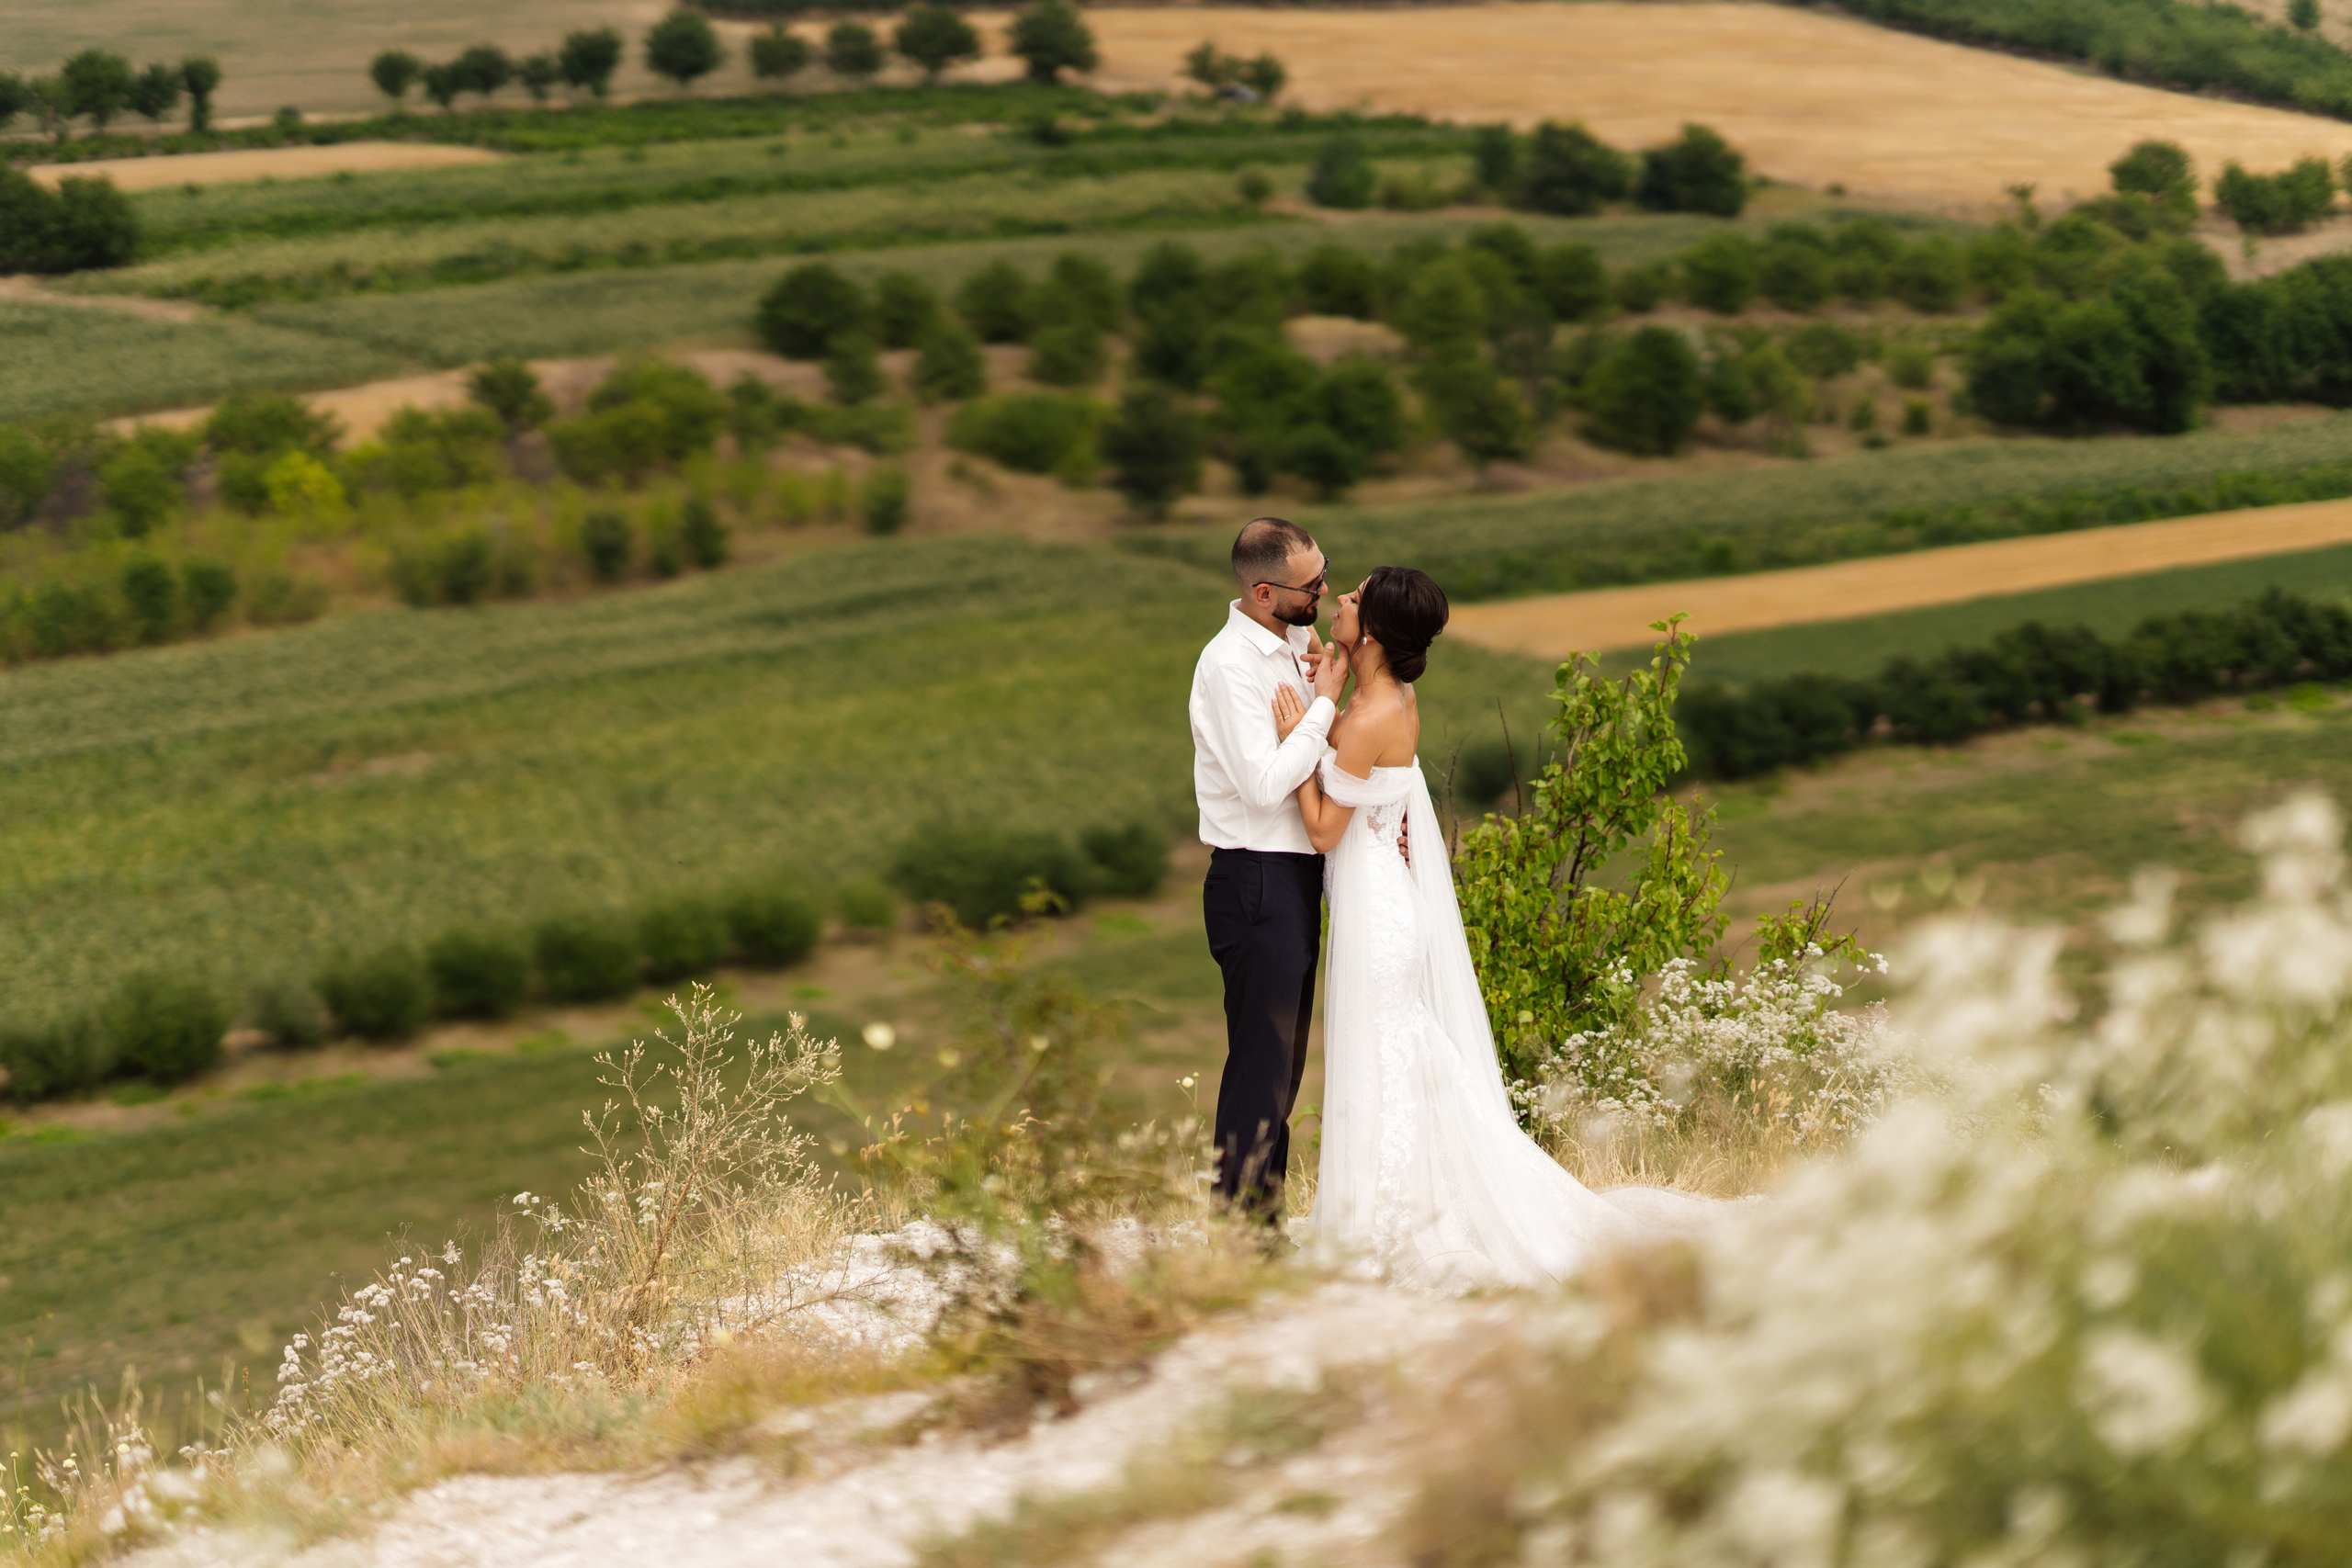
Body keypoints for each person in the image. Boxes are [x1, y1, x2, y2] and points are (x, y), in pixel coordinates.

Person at [1272, 566, 1720, 1290]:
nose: (1340, 601)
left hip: (1376, 910)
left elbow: (1324, 829)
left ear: (1376, 632)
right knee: (1401, 1055)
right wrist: (1334, 678)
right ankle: (1409, 1202)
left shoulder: (1362, 718)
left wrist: (1301, 740)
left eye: (1352, 599)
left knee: (1381, 1058)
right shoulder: (1392, 695)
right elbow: (1392, 781)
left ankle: (1382, 1225)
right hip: (1387, 893)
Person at [1188, 517, 1347, 1217]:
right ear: (1262, 591)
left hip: (1288, 877)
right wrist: (1321, 711)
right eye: (1310, 585)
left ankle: (1262, 1215)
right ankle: (1243, 1228)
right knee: (1260, 1063)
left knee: (1281, 1066)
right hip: (1254, 878)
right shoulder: (1229, 667)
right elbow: (1262, 783)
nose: (1322, 591)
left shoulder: (1287, 641)